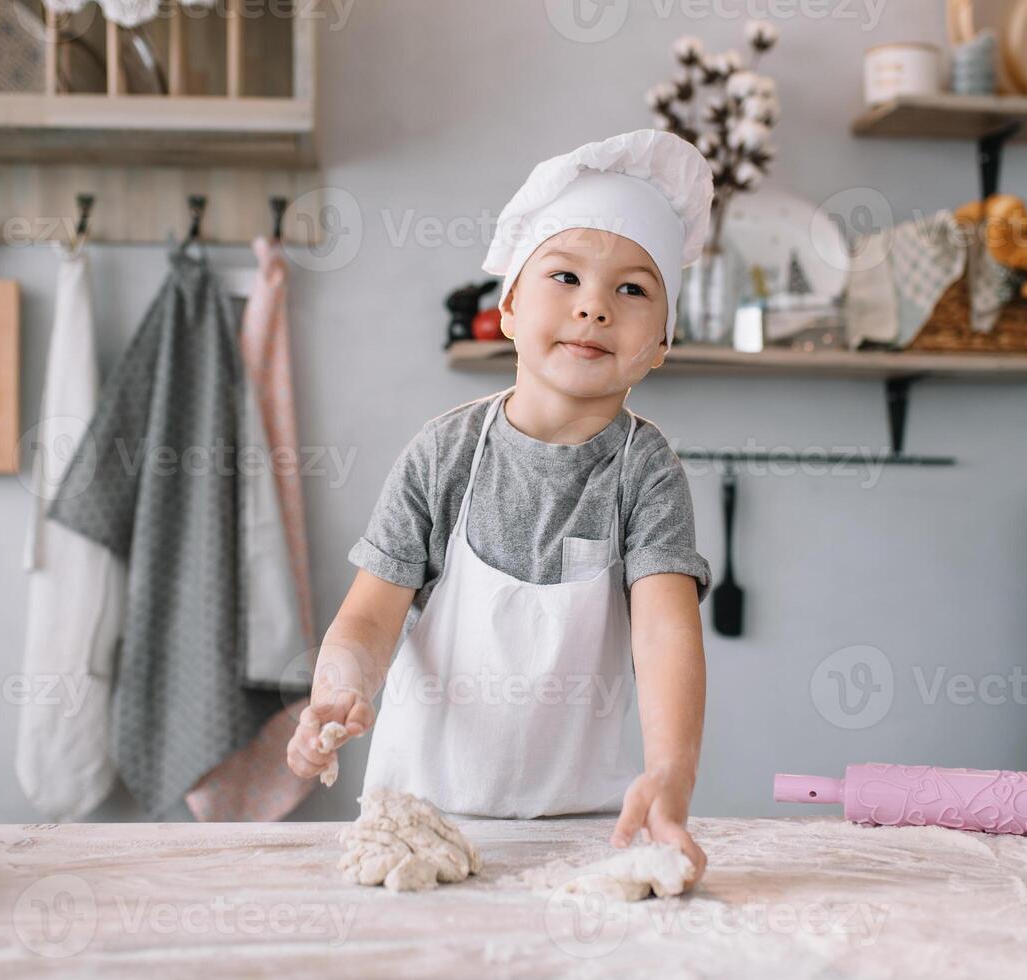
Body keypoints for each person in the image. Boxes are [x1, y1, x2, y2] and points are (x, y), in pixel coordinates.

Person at [286, 129, 716, 881]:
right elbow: (370, 616)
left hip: (587, 834)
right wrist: (339, 691)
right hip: (420, 821)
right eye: (565, 277)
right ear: (509, 307)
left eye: (633, 289)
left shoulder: (646, 473)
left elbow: (665, 637)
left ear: (660, 344)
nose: (594, 309)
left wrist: (671, 773)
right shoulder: (441, 455)